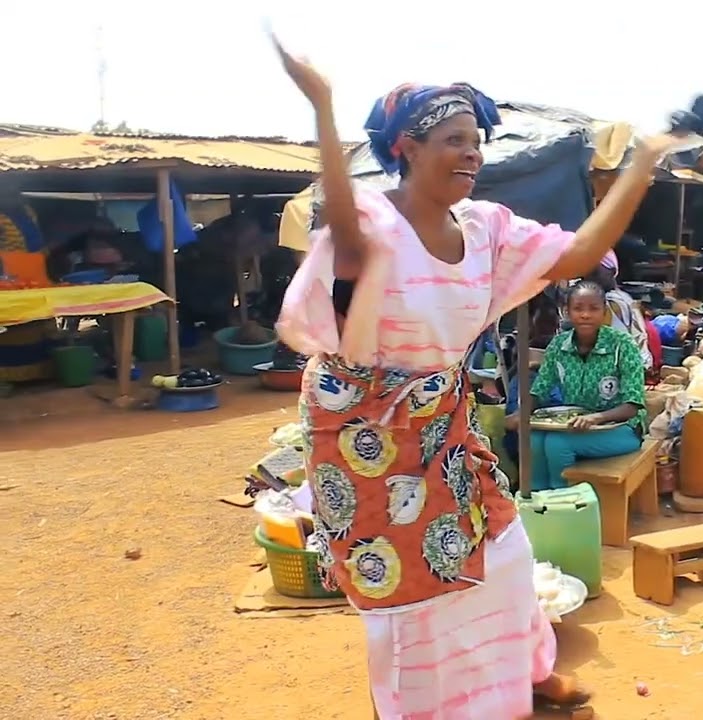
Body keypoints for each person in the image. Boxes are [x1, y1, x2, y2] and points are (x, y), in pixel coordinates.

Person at [269, 33, 682, 720]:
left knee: (504, 549)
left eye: (476, 141)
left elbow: (580, 250)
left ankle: (528, 671)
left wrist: (643, 161)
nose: (472, 154)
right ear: (407, 148)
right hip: (363, 434)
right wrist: (323, 106)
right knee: (405, 590)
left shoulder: (487, 229)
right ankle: (410, 706)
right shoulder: (372, 219)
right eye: (454, 140)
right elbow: (344, 232)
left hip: (440, 420)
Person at [527, 281, 647, 491]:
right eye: (578, 308)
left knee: (557, 444)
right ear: (567, 312)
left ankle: (564, 499)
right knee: (534, 438)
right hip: (576, 426)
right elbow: (540, 389)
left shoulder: (622, 345)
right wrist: (520, 414)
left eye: (593, 309)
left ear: (604, 312)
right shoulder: (558, 345)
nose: (585, 315)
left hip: (623, 429)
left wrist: (596, 418)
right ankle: (537, 498)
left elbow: (632, 405)